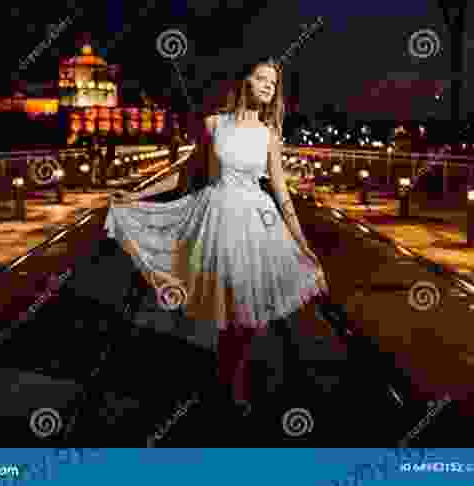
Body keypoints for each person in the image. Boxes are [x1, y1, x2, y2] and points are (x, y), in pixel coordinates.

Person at [104, 57, 328, 409]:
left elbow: (282, 193)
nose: (270, 86)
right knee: (235, 308)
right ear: (245, 81)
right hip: (217, 220)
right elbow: (184, 175)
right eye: (262, 78)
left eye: (274, 82)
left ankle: (228, 376)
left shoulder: (270, 135)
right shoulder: (213, 125)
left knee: (249, 314)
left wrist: (302, 242)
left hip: (257, 224)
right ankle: (228, 383)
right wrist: (135, 195)